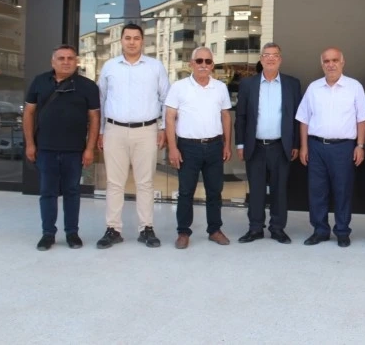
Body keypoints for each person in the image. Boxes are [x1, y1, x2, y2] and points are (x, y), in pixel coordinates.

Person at [96, 23, 170, 249]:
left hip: (147, 131)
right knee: (114, 182)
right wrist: (101, 131)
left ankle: (146, 228)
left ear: (142, 41)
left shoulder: (155, 67)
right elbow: (101, 100)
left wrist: (163, 128)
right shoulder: (110, 67)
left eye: (136, 38)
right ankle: (113, 229)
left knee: (145, 182)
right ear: (121, 41)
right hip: (114, 130)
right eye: (127, 38)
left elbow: (166, 99)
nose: (131, 42)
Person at [23, 44, 100, 251]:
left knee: (72, 192)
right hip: (45, 149)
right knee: (47, 193)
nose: (66, 62)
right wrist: (30, 143)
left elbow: (94, 118)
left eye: (70, 58)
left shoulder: (88, 86)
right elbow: (29, 113)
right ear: (53, 61)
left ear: (76, 62)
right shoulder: (40, 82)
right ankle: (48, 234)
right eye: (61, 58)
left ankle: (72, 233)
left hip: (74, 151)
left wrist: (90, 148)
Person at [296, 47, 365, 248]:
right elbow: (304, 119)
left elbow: (362, 118)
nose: (331, 64)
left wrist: (360, 145)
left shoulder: (354, 87)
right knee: (317, 191)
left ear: (342, 62)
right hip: (316, 146)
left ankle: (342, 231)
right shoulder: (314, 88)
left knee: (342, 191)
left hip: (343, 148)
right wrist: (303, 147)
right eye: (326, 61)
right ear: (322, 65)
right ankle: (320, 231)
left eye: (335, 60)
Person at [165, 47, 232, 249]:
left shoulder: (220, 87)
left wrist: (227, 144)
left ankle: (215, 230)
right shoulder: (179, 87)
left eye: (208, 61)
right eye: (199, 61)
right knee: (186, 192)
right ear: (191, 64)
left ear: (212, 65)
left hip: (214, 146)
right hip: (188, 147)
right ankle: (183, 232)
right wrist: (173, 148)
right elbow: (169, 118)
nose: (204, 65)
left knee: (215, 191)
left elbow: (226, 116)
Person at [235, 42, 302, 244]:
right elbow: (241, 116)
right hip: (255, 146)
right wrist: (240, 144)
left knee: (279, 190)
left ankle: (277, 228)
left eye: (275, 55)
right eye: (267, 55)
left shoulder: (292, 84)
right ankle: (255, 228)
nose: (271, 58)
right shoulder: (248, 84)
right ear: (261, 59)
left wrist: (295, 144)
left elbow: (297, 117)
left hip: (281, 146)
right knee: (256, 190)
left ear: (280, 59)